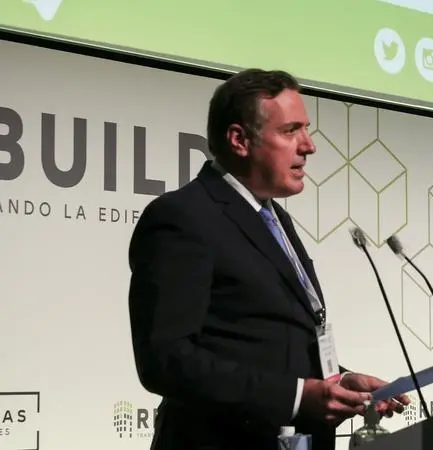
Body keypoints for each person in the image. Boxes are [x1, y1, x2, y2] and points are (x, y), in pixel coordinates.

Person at [127, 68, 409, 450]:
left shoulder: (275, 218)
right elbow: (166, 359)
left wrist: (340, 382)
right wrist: (296, 397)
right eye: (291, 131)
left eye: (306, 130)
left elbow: (272, 345)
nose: (309, 146)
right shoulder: (183, 217)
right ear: (239, 140)